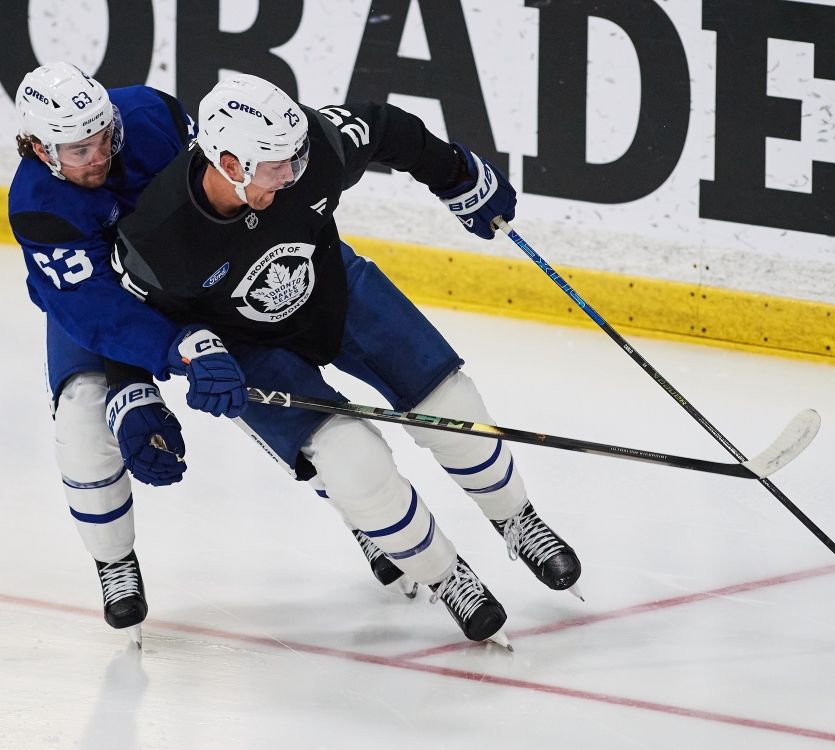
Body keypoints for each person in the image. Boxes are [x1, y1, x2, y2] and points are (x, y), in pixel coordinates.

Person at [112, 74, 583, 646]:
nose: (290, 175)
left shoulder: (307, 148)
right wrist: (156, 380)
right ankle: (446, 576)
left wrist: (456, 175)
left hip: (337, 292)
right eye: (274, 166)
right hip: (249, 348)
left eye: (295, 160)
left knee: (452, 404)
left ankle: (516, 517)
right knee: (354, 465)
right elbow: (130, 324)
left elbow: (386, 128)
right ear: (229, 162)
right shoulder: (155, 236)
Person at [8, 62, 194, 645]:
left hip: (190, 277)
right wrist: (139, 376)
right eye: (77, 148)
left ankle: (364, 515)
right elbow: (99, 311)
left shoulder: (152, 115)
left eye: (103, 137)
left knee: (268, 382)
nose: (99, 156)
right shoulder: (37, 203)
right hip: (101, 298)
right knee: (83, 413)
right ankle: (113, 560)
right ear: (39, 148)